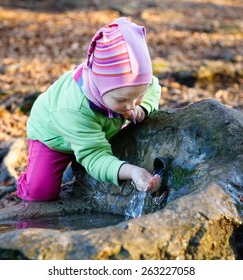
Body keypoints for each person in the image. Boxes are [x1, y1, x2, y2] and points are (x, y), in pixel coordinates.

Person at [17, 17, 162, 201]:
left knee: (91, 149)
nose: (131, 105)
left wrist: (144, 105)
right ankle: (28, 180)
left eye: (137, 96)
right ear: (100, 87)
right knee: (40, 192)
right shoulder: (74, 108)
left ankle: (75, 167)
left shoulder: (128, 88)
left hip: (93, 133)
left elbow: (154, 87)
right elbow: (95, 156)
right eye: (122, 99)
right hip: (53, 137)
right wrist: (132, 171)